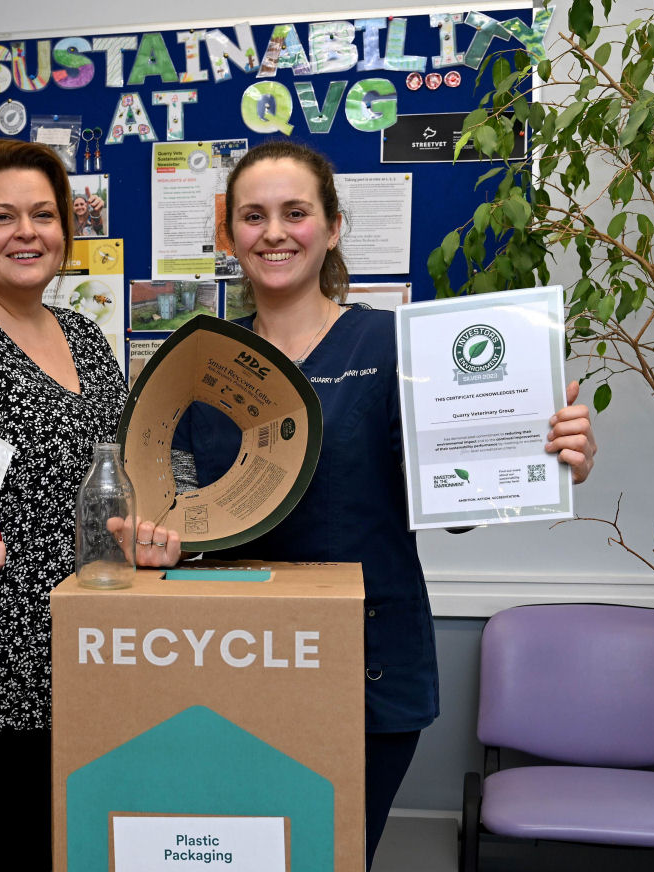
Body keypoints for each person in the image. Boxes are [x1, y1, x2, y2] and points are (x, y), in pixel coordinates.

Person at [170, 140, 597, 869]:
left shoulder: (403, 348)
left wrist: (549, 453)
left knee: (330, 859)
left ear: (333, 227)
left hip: (368, 670)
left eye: (295, 212)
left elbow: (458, 502)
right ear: (229, 234)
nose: (274, 232)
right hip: (231, 664)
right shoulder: (199, 366)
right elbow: (182, 513)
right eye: (254, 215)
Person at [0, 138, 180, 871]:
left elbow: (123, 469)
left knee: (91, 849)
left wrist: (151, 532)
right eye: (3, 216)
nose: (27, 232)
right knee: (21, 852)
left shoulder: (81, 334)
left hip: (92, 645)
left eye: (44, 215)